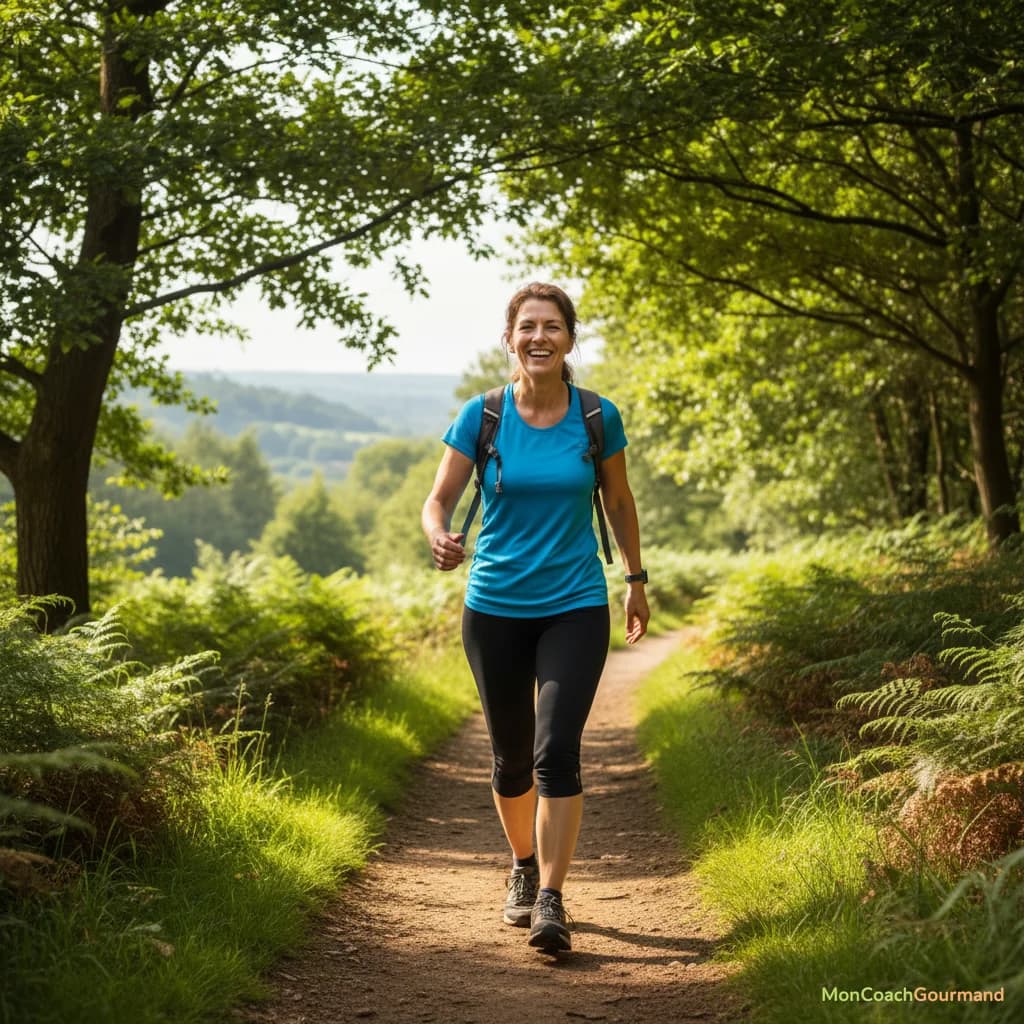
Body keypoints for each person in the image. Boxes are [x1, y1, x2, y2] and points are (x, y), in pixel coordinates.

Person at [421, 282, 649, 954]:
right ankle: (522, 865)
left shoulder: (597, 417)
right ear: (510, 338)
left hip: (576, 604)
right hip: (493, 608)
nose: (539, 337)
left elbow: (620, 502)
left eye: (552, 326)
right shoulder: (483, 416)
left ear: (570, 340)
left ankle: (551, 897)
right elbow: (438, 499)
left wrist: (635, 580)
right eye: (527, 327)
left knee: (556, 752)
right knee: (511, 757)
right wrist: (438, 534)